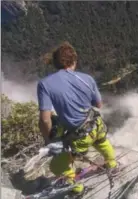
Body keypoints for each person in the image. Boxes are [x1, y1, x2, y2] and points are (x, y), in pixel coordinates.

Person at [37, 41, 119, 198]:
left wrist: (49, 140)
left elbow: (45, 119)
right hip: (96, 125)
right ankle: (112, 164)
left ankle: (75, 187)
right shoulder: (87, 78)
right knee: (101, 142)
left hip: (78, 136)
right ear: (74, 60)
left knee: (56, 166)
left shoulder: (45, 84)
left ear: (55, 63)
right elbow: (99, 104)